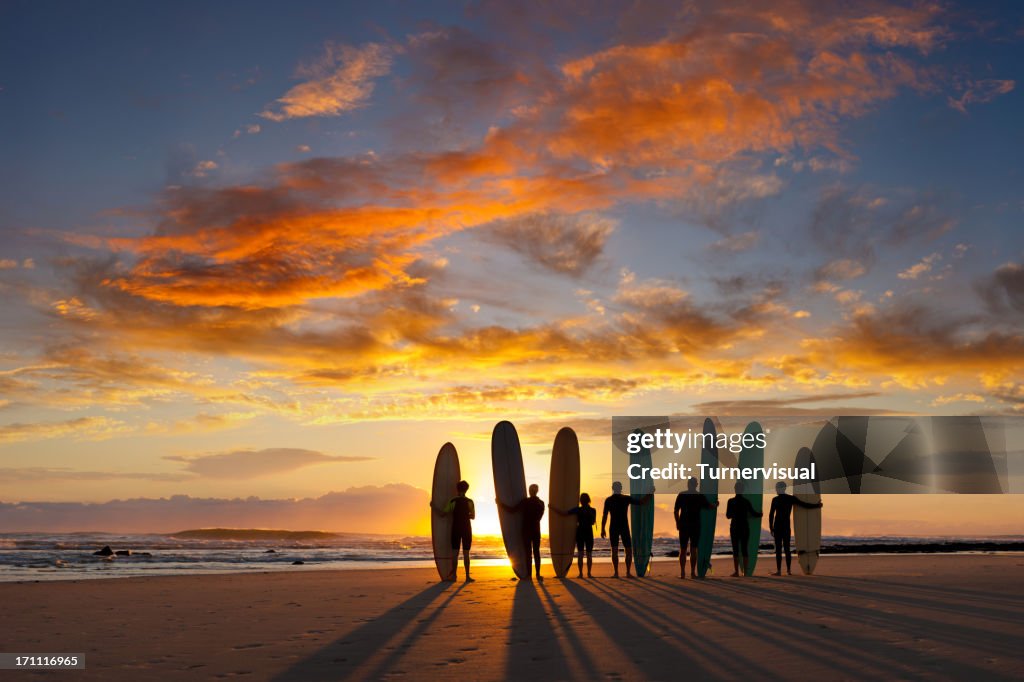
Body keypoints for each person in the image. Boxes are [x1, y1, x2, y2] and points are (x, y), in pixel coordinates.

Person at [768, 481, 824, 576]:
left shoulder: (776, 500)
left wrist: (771, 527)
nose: (776, 490)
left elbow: (771, 515)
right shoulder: (790, 498)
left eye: (777, 488)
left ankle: (779, 571)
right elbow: (804, 505)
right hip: (785, 526)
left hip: (778, 526)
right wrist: (816, 505)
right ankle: (788, 571)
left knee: (779, 549)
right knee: (787, 549)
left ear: (780, 488)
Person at [601, 481, 652, 578]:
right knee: (627, 550)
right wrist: (650, 493)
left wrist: (603, 528)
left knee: (615, 550)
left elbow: (605, 516)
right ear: (620, 488)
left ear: (613, 488)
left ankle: (617, 573)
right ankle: (627, 573)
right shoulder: (624, 499)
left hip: (614, 527)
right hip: (623, 526)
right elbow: (641, 502)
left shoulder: (609, 500)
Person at [673, 477, 718, 579]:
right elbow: (710, 506)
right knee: (694, 549)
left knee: (683, 549)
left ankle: (683, 573)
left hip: (684, 525)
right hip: (695, 525)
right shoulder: (699, 496)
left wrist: (678, 522)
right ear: (696, 485)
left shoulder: (682, 494)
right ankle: (693, 573)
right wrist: (716, 504)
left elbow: (676, 511)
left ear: (688, 484)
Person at [500, 483, 545, 580]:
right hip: (536, 530)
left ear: (529, 491)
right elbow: (540, 517)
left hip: (526, 530)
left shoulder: (525, 502)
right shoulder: (541, 503)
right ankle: (538, 574)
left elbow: (512, 510)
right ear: (537, 491)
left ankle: (529, 575)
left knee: (528, 552)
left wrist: (500, 504)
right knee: (536, 552)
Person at [433, 480, 475, 582]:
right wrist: (465, 515)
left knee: (455, 553)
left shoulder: (453, 501)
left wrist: (433, 506)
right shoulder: (470, 501)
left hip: (456, 528)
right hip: (466, 529)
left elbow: (443, 514)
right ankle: (467, 577)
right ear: (466, 489)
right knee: (466, 553)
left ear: (457, 489)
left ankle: (454, 576)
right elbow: (473, 516)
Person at [551, 492, 597, 578]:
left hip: (580, 532)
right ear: (589, 500)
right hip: (589, 532)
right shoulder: (593, 510)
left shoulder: (578, 509)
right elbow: (593, 522)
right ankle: (589, 573)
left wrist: (553, 508)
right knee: (589, 554)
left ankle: (580, 574)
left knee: (580, 554)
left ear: (580, 501)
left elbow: (564, 513)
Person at [725, 481, 762, 577]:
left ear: (735, 489)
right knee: (744, 549)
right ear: (743, 490)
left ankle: (736, 572)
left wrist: (735, 513)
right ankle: (745, 572)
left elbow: (728, 516)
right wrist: (760, 514)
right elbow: (753, 513)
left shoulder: (730, 501)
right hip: (745, 527)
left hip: (734, 527)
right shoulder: (746, 502)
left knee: (736, 550)